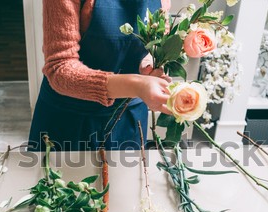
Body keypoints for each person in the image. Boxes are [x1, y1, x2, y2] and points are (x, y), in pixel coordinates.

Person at [28, 0, 172, 151]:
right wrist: (137, 85)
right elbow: (59, 67)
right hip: (70, 119)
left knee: (125, 174)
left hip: (129, 118)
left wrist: (149, 61)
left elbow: (156, 37)